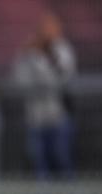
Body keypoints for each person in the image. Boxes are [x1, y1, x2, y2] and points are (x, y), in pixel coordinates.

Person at [12, 11, 76, 179]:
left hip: (59, 116)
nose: (48, 32)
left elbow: (65, 78)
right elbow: (20, 79)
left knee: (62, 159)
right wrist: (31, 55)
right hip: (35, 118)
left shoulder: (63, 50)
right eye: (45, 27)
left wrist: (47, 58)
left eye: (52, 27)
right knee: (39, 163)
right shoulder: (28, 51)